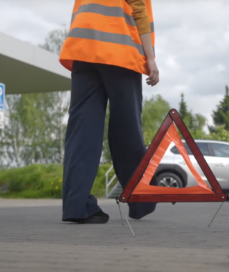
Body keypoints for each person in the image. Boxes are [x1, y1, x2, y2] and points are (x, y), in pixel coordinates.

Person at [59, 0, 159, 224]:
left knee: (81, 131)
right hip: (120, 50)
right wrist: (150, 58)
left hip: (83, 49)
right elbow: (139, 9)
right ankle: (141, 199)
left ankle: (77, 205)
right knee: (127, 128)